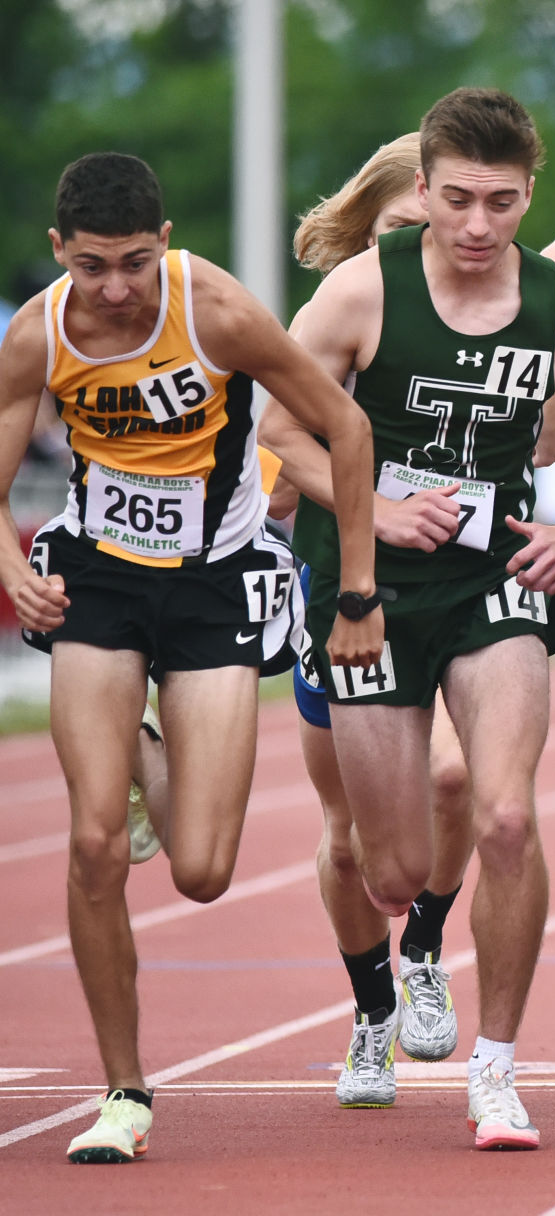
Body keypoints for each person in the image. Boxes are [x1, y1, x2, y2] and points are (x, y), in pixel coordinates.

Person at [0, 151, 381, 1164]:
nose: (114, 288)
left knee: (204, 869)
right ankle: (123, 1091)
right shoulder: (39, 330)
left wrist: (355, 590)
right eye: (90, 266)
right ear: (58, 252)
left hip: (213, 580)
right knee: (89, 847)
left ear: (163, 246)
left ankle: (138, 738)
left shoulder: (213, 309)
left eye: (131, 262)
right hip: (98, 580)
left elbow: (343, 426)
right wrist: (15, 564)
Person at [266, 88, 555, 1151]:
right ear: (420, 191)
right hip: (365, 593)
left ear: (527, 197)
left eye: (501, 203)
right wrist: (373, 504)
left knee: (505, 814)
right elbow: (278, 427)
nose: (477, 226)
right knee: (390, 869)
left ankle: (497, 1069)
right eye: (458, 200)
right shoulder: (358, 293)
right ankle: (400, 964)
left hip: (491, 584)